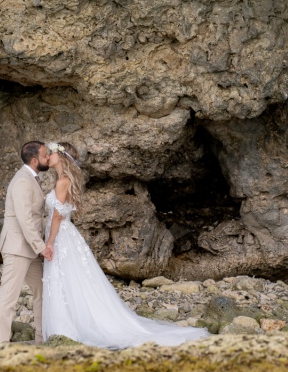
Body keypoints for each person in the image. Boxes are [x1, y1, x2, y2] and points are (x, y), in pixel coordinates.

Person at [41, 141, 209, 348]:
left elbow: (57, 215)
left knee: (64, 278)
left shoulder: (62, 182)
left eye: (52, 153)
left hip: (60, 236)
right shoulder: (62, 180)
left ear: (62, 157)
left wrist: (49, 243)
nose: (49, 156)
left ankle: (67, 328)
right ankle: (70, 325)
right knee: (69, 279)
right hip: (64, 235)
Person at [0, 141, 53, 344]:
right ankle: (0, 345)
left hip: (31, 249)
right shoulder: (21, 181)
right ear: (35, 160)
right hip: (18, 248)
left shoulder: (32, 178)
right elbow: (24, 218)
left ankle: (41, 338)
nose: (49, 158)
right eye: (46, 155)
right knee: (9, 297)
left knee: (42, 292)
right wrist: (41, 247)